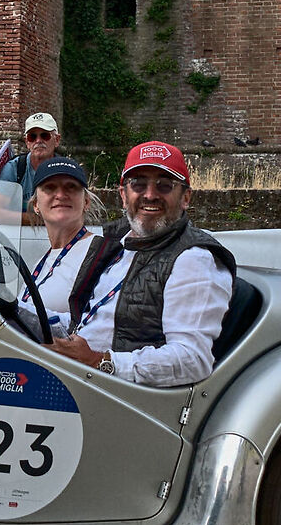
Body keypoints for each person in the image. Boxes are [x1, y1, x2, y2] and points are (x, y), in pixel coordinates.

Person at [52, 141, 235, 389]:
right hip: (82, 377)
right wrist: (16, 312)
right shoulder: (120, 244)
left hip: (118, 394)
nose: (150, 194)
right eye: (138, 184)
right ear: (123, 195)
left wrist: (100, 361)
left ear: (185, 198)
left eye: (164, 185)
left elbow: (192, 359)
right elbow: (91, 321)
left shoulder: (193, 259)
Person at [13, 156, 127, 342]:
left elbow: (91, 327)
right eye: (49, 187)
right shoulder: (42, 262)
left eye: (71, 187)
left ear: (86, 202)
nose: (60, 194)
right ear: (36, 205)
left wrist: (12, 305)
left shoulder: (102, 255)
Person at [0, 112, 63, 204]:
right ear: (27, 142)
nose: (38, 140)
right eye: (32, 137)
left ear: (57, 140)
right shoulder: (15, 168)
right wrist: (31, 218)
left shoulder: (66, 170)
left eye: (45, 135)